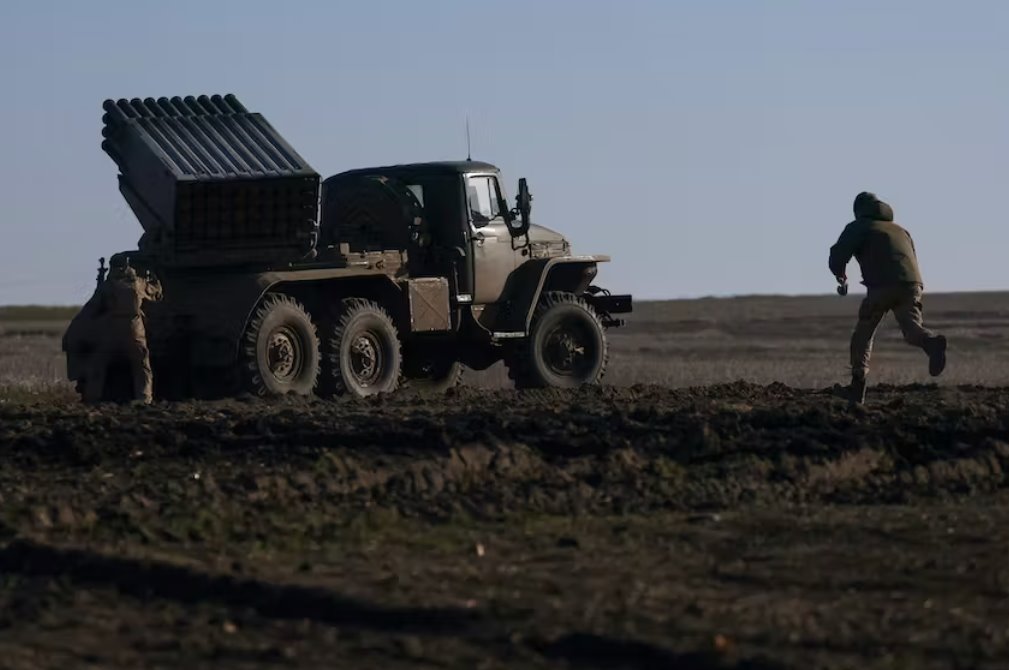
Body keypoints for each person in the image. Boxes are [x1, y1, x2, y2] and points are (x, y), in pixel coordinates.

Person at [829, 192, 947, 404]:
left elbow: (839, 253)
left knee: (863, 335)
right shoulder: (901, 230)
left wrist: (839, 273)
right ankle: (931, 343)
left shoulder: (859, 226)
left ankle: (857, 387)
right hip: (912, 285)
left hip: (882, 286)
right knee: (912, 330)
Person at [85, 257, 163, 404]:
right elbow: (156, 293)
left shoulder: (108, 285)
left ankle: (92, 397)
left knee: (98, 363)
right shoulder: (138, 283)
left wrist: (101, 277)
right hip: (134, 329)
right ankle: (144, 398)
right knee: (142, 365)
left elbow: (96, 303)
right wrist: (153, 278)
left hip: (111, 328)